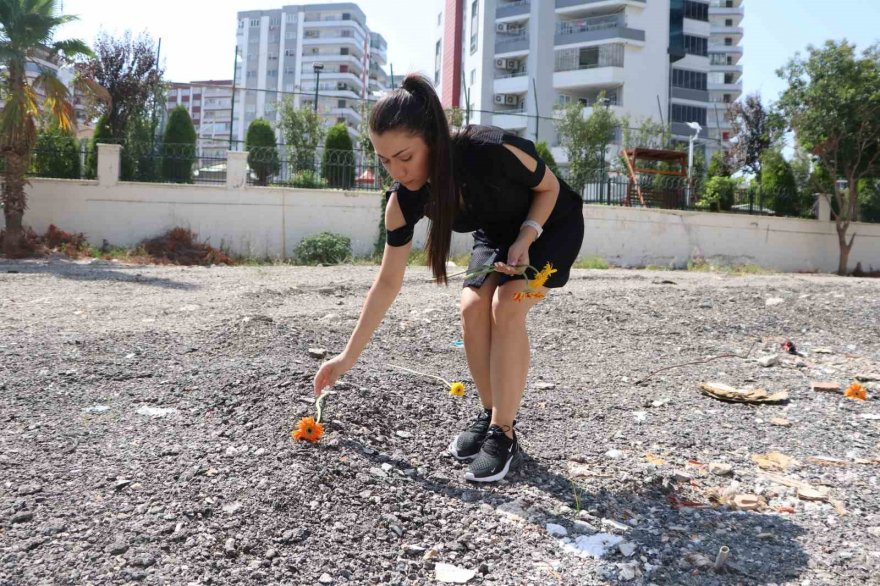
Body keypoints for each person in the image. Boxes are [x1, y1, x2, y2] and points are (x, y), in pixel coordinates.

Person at [313, 74, 584, 483]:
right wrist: (346, 357)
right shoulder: (402, 202)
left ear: (433, 141)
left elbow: (550, 189)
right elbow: (387, 283)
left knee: (506, 306)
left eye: (405, 157)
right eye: (385, 160)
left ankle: (505, 433)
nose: (397, 171)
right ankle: (493, 414)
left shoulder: (490, 148)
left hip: (550, 224)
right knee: (472, 307)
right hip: (495, 233)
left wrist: (527, 237)